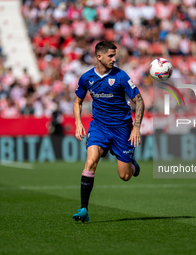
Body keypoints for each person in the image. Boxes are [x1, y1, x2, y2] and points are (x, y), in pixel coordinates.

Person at [72, 41, 145, 222]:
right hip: (99, 127)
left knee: (125, 176)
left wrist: (136, 128)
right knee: (90, 162)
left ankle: (132, 165)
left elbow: (140, 101)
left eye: (115, 55)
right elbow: (77, 102)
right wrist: (78, 123)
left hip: (122, 129)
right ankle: (84, 209)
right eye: (111, 56)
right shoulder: (86, 78)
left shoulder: (121, 76)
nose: (114, 59)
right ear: (99, 56)